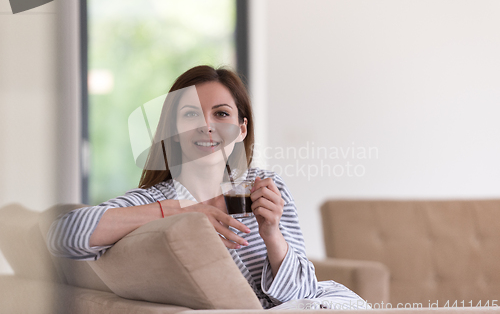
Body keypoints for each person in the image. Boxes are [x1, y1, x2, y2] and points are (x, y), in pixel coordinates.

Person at [47, 65, 369, 310]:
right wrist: (176, 211)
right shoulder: (157, 202)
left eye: (221, 113)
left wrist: (272, 234)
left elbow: (302, 293)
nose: (206, 125)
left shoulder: (265, 187)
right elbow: (61, 234)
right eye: (190, 114)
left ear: (241, 129)